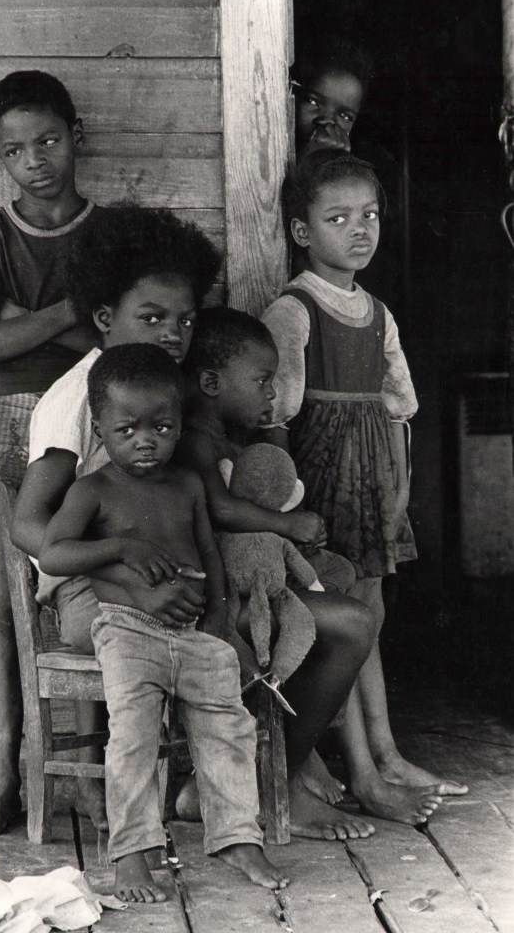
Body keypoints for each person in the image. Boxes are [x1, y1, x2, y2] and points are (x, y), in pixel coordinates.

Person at [38, 344, 290, 902]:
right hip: (127, 631)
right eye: (127, 429)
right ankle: (132, 854)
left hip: (197, 632)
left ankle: (237, 840)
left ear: (179, 425)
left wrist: (221, 617)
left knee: (229, 727)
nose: (145, 440)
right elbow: (54, 555)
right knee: (131, 739)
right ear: (99, 429)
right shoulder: (92, 491)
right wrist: (122, 548)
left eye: (162, 427)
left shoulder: (187, 485)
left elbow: (209, 552)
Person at [261, 149, 466, 824]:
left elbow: (398, 405)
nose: (358, 230)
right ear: (302, 232)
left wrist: (397, 489)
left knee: (370, 618)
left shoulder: (376, 311)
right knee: (342, 618)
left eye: (369, 216)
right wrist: (292, 502)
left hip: (373, 479)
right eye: (338, 217)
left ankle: (385, 752)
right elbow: (278, 414)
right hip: (323, 481)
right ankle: (360, 770)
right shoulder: (293, 310)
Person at [10, 204, 221, 832]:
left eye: (184, 320)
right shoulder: (83, 397)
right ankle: (157, 805)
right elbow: (30, 527)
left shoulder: (165, 395)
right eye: (151, 317)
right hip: (87, 580)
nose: (172, 333)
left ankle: (206, 784)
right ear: (105, 319)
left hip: (154, 568)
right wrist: (125, 561)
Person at [0, 69, 112, 837]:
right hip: (13, 419)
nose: (34, 160)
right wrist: (63, 314)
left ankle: (83, 779)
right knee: (8, 603)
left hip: (93, 415)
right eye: (14, 150)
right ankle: (2, 778)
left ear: (76, 135)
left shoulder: (109, 235)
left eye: (47, 140)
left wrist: (31, 320)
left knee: (81, 584)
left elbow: (118, 340)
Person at [176, 306, 381, 841]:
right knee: (355, 624)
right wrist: (285, 525)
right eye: (263, 380)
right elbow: (220, 511)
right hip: (213, 605)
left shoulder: (226, 438)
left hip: (245, 593)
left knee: (342, 602)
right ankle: (280, 784)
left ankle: (235, 783)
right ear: (212, 382)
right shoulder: (197, 438)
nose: (273, 393)